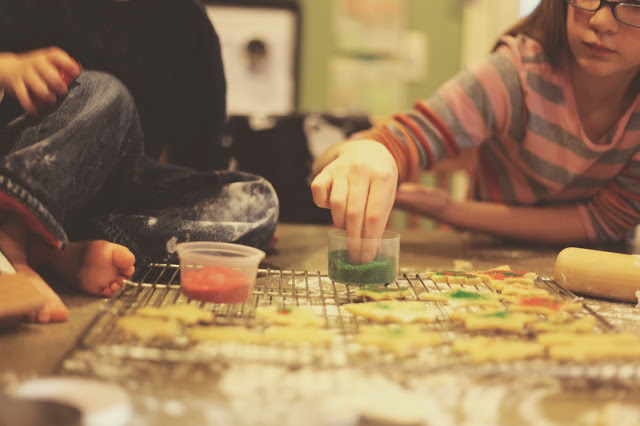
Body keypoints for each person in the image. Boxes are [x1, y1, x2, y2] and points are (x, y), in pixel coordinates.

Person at [0, 1, 279, 323]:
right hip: (24, 169)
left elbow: (201, 151)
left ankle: (57, 251)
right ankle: (13, 240)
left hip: (113, 189)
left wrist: (212, 213)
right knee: (108, 92)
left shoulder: (188, 20)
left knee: (256, 203)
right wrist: (8, 68)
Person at [311, 0, 640, 258]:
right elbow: (401, 138)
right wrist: (371, 150)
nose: (600, 20)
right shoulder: (514, 73)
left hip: (599, 273)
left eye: (633, 3)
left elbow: (604, 222)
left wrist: (451, 210)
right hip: (486, 261)